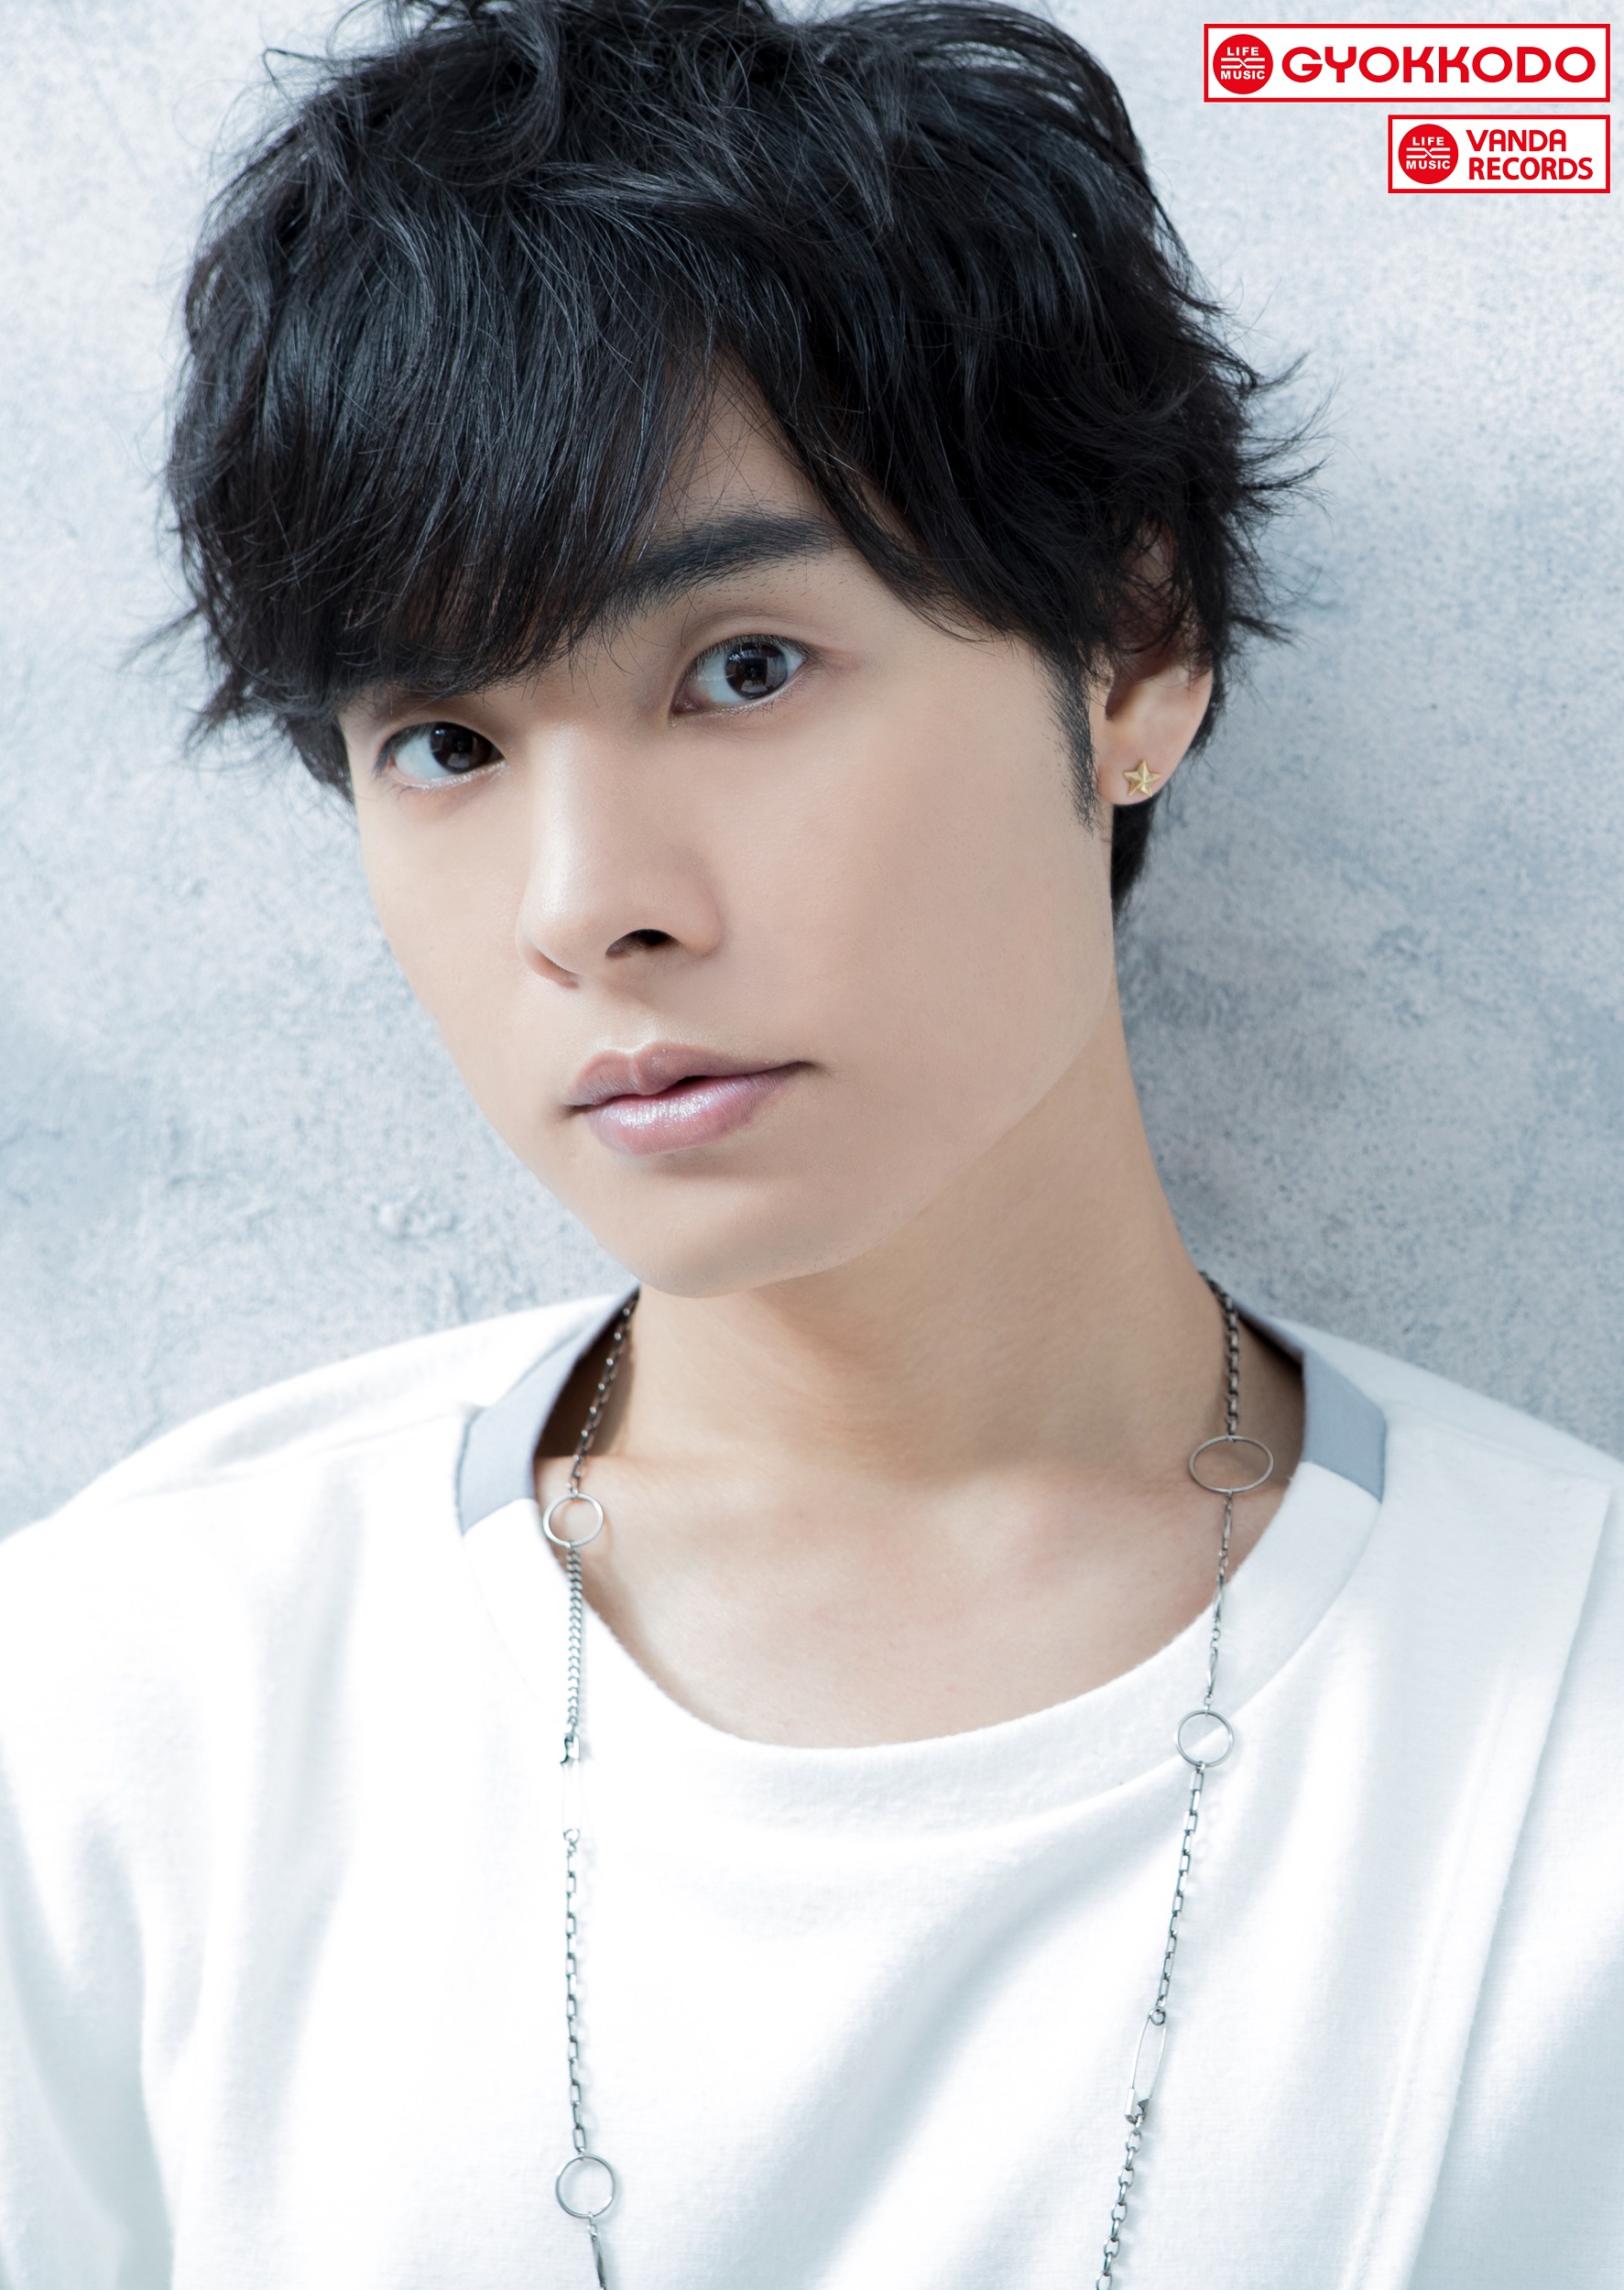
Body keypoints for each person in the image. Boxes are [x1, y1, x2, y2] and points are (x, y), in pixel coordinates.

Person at [1, 1, 1619, 2284]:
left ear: (1131, 648)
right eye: (446, 741)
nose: (588, 904)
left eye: (741, 667)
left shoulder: (1560, 1726)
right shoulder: (134, 1697)